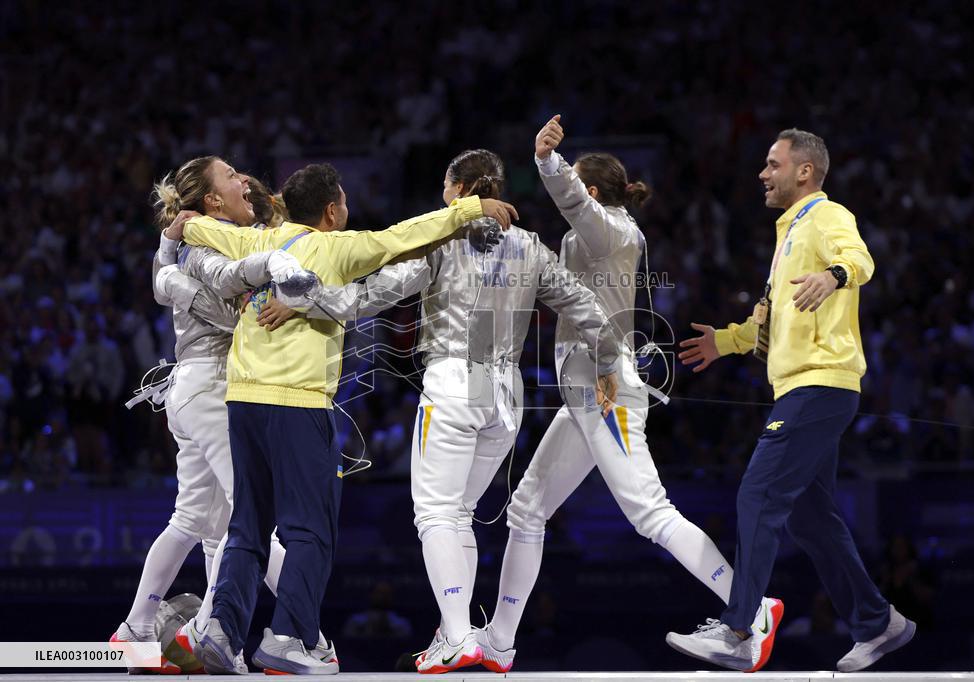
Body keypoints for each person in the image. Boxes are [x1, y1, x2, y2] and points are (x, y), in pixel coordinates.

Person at [274, 149, 620, 674]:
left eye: (444, 185)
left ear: (458, 190)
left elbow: (373, 294)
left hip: (455, 381)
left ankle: (460, 635)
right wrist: (610, 360)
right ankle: (451, 631)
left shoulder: (442, 239)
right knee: (457, 513)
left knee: (434, 513)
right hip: (505, 394)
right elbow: (581, 302)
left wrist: (308, 298)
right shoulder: (531, 246)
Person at [169, 162, 517, 675]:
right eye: (346, 202)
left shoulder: (261, 242)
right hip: (298, 402)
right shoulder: (335, 248)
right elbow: (403, 236)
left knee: (247, 525)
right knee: (310, 530)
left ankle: (221, 629)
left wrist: (182, 223)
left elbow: (206, 228)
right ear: (332, 212)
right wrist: (469, 209)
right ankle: (290, 639)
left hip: (241, 401)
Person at [482, 115, 749, 674]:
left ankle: (748, 610)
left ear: (592, 191)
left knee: (649, 511)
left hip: (605, 388)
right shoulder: (585, 241)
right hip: (584, 393)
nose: (569, 201)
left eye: (577, 187)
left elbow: (577, 207)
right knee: (526, 508)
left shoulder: (615, 231)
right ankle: (499, 642)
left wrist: (548, 162)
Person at [667, 129, 915, 673]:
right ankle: (878, 622)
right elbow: (766, 323)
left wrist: (834, 274)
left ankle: (739, 629)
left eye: (772, 163)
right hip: (802, 385)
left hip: (820, 384)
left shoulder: (826, 217)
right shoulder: (789, 233)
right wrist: (725, 342)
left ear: (804, 171)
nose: (763, 173)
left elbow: (861, 259)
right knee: (810, 518)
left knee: (758, 494)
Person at [111, 159, 299, 675]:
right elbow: (228, 316)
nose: (244, 178)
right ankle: (307, 632)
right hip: (211, 385)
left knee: (198, 519)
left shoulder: (210, 241)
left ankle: (142, 628)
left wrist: (165, 262)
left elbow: (169, 279)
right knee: (249, 519)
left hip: (198, 389)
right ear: (212, 200)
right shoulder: (206, 243)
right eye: (232, 174)